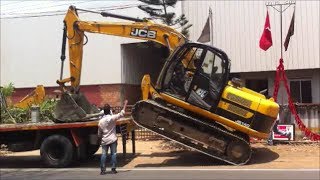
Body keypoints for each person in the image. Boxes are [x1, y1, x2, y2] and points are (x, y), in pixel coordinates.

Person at [98, 100, 128, 175]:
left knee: (104, 154)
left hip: (104, 140)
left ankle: (102, 170)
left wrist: (99, 140)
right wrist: (125, 104)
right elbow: (121, 114)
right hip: (113, 139)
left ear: (104, 112)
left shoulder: (100, 122)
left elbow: (99, 133)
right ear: (110, 111)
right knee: (113, 154)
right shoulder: (112, 118)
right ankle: (113, 169)